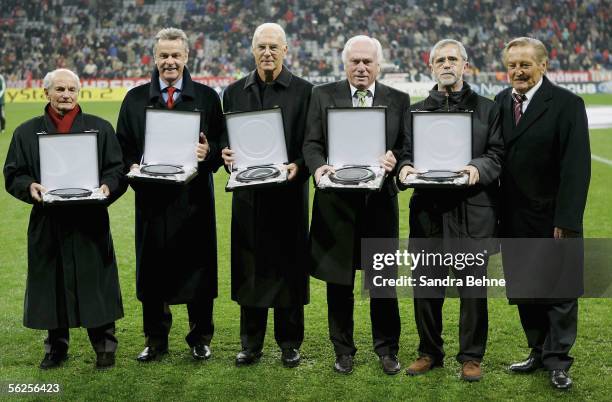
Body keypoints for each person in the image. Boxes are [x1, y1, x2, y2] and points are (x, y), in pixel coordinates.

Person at [3, 68, 125, 370]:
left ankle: (104, 346)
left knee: (95, 282)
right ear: (46, 93)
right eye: (59, 89)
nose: (66, 95)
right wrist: (28, 186)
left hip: (90, 220)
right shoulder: (26, 132)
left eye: (71, 89)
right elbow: (14, 173)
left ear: (78, 92)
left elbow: (116, 169)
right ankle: (56, 347)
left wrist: (109, 186)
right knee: (51, 284)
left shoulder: (99, 128)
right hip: (48, 221)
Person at [396, 39, 503, 381]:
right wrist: (404, 169)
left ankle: (471, 358)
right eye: (439, 59)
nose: (446, 64)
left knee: (473, 290)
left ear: (464, 65)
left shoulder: (488, 109)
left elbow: (497, 155)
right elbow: (404, 153)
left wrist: (478, 168)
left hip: (472, 212)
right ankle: (429, 352)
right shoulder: (415, 111)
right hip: (428, 213)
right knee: (426, 289)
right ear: (431, 67)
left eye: (452, 59)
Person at [116, 27, 224, 362]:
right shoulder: (135, 99)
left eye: (176, 55)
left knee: (199, 269)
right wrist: (133, 168)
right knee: (152, 273)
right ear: (154, 57)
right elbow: (123, 151)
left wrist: (211, 155)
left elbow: (221, 148)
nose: (170, 62)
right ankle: (156, 339)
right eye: (164, 55)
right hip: (152, 202)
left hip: (194, 201)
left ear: (187, 57)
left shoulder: (207, 97)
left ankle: (200, 337)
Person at [303, 35, 409, 375]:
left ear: (379, 65)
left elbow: (407, 147)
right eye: (355, 62)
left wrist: (398, 160)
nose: (361, 68)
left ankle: (387, 349)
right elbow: (312, 143)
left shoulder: (399, 99)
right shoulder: (321, 95)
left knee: (382, 282)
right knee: (339, 282)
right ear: (344, 63)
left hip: (379, 205)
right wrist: (319, 168)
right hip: (336, 204)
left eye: (367, 62)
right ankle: (343, 349)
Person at [495, 37, 590, 390]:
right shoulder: (501, 103)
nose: (518, 71)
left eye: (525, 64)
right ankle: (537, 351)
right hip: (514, 217)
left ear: (543, 65)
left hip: (552, 219)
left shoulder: (567, 104)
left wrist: (566, 220)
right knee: (526, 289)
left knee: (560, 293)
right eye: (512, 65)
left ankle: (558, 361)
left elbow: (576, 168)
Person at [221, 23, 312, 368]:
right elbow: (220, 142)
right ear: (252, 50)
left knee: (289, 266)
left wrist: (299, 165)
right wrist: (224, 155)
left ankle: (290, 343)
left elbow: (311, 142)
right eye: (262, 47)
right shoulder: (233, 92)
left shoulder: (305, 92)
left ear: (286, 50)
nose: (268, 53)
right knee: (250, 266)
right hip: (249, 198)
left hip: (288, 195)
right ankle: (251, 343)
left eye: (274, 47)